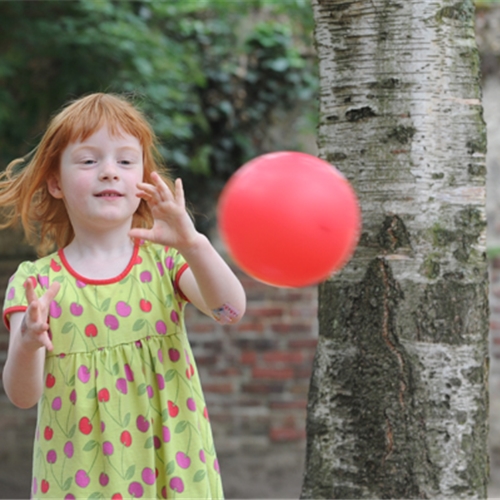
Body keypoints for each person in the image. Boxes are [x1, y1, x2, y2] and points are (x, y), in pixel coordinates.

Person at [0, 93, 246, 499]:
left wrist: (194, 242)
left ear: (145, 182)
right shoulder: (36, 283)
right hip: (79, 480)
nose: (109, 172)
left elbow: (230, 310)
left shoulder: (166, 262)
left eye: (126, 161)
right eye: (89, 160)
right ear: (55, 183)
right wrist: (27, 341)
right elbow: (23, 397)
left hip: (175, 469)